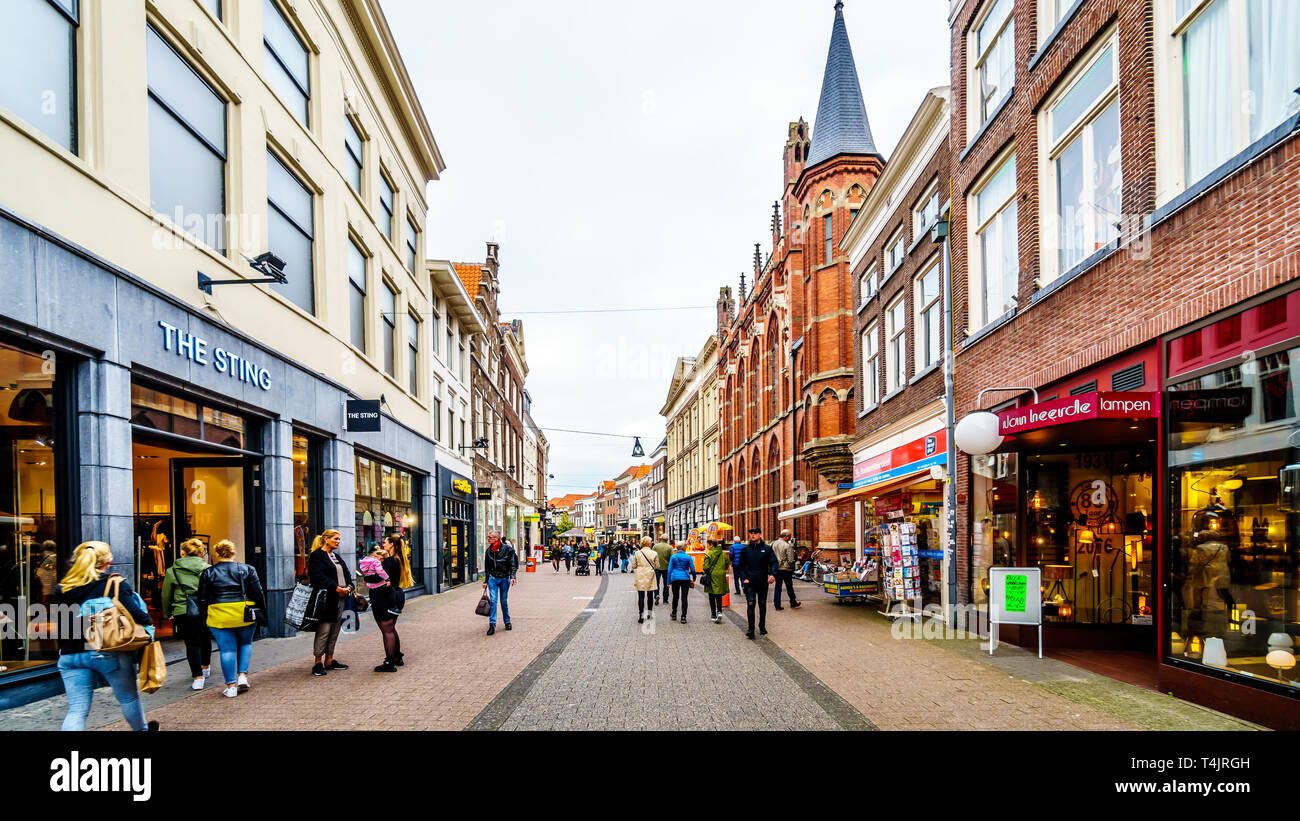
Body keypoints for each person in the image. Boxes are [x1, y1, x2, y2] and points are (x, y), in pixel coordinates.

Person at [54, 541, 157, 731]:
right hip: (105, 650)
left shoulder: (62, 588)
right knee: (128, 697)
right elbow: (138, 615)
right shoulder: (114, 584)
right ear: (108, 561)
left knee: (77, 709)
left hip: (69, 654)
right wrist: (148, 623)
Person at [197, 539, 266, 697]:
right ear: (233, 553)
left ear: (216, 554)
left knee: (226, 649)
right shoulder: (247, 569)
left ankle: (231, 686)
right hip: (244, 612)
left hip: (218, 613)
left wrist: (204, 616)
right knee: (245, 643)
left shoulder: (208, 572)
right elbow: (258, 592)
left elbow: (202, 598)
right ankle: (242, 676)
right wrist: (262, 612)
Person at [161, 537, 211, 689]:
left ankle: (197, 677)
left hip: (182, 610)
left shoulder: (173, 570)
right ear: (201, 552)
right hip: (205, 609)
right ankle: (205, 666)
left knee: (191, 643)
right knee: (205, 637)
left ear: (183, 552)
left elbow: (165, 595)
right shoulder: (208, 569)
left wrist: (167, 612)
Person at [306, 529, 353, 676]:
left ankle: (330, 659)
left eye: (339, 539)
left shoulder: (336, 556)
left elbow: (347, 574)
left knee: (335, 630)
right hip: (326, 599)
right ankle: (318, 662)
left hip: (341, 598)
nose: (338, 541)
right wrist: (336, 588)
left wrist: (350, 586)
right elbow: (318, 577)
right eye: (335, 539)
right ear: (326, 539)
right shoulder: (317, 556)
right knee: (324, 630)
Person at [737, 526, 778, 639]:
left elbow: (774, 562)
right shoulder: (745, 550)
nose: (753, 535)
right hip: (749, 582)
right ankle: (750, 629)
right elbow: (740, 566)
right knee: (751, 604)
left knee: (762, 603)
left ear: (760, 534)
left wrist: (772, 574)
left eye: (755, 533)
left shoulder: (767, 549)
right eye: (751, 533)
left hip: (762, 582)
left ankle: (762, 626)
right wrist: (744, 578)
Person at [483, 529, 518, 635]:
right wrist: (486, 581)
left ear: (496, 538)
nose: (488, 539)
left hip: (504, 578)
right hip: (493, 578)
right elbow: (487, 567)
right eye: (488, 537)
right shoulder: (488, 551)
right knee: (493, 601)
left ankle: (507, 621)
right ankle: (492, 624)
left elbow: (512, 563)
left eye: (490, 537)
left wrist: (513, 576)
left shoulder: (508, 549)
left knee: (503, 601)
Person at [771, 528, 802, 611]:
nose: (790, 538)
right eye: (790, 536)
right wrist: (792, 568)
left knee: (778, 587)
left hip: (776, 568)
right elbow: (791, 560)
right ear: (787, 536)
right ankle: (793, 602)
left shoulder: (773, 543)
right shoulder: (787, 546)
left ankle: (777, 605)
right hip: (785, 569)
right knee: (789, 587)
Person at [631, 537, 659, 624]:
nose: (652, 543)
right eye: (651, 541)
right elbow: (657, 566)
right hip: (650, 574)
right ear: (648, 543)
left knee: (641, 596)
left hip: (640, 575)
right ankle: (649, 614)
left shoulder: (637, 553)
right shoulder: (654, 553)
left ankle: (641, 615)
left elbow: (633, 566)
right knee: (650, 595)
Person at [666, 542, 696, 623]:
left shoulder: (673, 557)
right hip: (685, 579)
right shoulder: (688, 557)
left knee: (675, 596)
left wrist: (668, 582)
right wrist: (694, 578)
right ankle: (683, 617)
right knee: (684, 597)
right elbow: (693, 569)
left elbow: (669, 570)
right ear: (684, 548)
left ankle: (674, 613)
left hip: (675, 578)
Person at [701, 539, 730, 623]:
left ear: (711, 545)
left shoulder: (709, 554)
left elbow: (705, 567)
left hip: (712, 576)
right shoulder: (723, 553)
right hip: (721, 575)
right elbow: (727, 564)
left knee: (711, 595)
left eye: (708, 545)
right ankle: (719, 612)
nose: (707, 547)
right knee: (719, 595)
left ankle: (713, 615)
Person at [653, 537, 673, 605]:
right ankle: (665, 599)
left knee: (656, 583)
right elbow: (671, 558)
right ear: (667, 540)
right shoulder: (670, 547)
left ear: (661, 539)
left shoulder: (655, 546)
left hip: (657, 568)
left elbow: (652, 556)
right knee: (666, 584)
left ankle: (656, 595)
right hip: (666, 568)